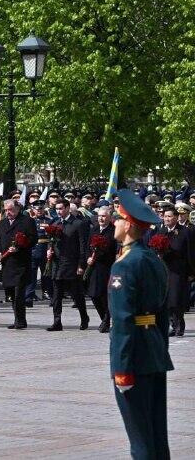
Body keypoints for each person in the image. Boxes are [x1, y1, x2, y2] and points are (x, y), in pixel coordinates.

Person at [109, 188, 173, 459]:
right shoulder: (152, 259)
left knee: (140, 437)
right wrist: (160, 348)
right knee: (156, 432)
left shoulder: (124, 265)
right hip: (154, 352)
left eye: (118, 218)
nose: (114, 222)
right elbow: (162, 314)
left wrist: (121, 367)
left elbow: (122, 320)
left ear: (128, 225)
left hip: (134, 357)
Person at [47, 199, 90, 331]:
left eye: (61, 208)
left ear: (67, 208)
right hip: (57, 264)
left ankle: (84, 317)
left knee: (77, 294)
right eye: (57, 209)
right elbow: (51, 241)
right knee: (56, 295)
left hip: (72, 264)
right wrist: (49, 250)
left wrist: (81, 265)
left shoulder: (78, 224)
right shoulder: (55, 223)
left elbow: (83, 246)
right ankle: (57, 321)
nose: (58, 211)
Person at [0, 199, 38, 329]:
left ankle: (20, 320)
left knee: (19, 292)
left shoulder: (27, 221)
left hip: (20, 263)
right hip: (7, 263)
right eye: (6, 210)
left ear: (18, 209)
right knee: (11, 293)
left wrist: (20, 247)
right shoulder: (2, 223)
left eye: (11, 210)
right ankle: (18, 319)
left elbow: (33, 239)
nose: (8, 212)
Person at [153, 206, 191, 337]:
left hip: (178, 271)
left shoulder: (184, 232)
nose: (167, 219)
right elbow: (153, 247)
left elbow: (190, 253)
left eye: (169, 216)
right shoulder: (161, 231)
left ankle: (179, 324)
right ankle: (173, 325)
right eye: (165, 216)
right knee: (166, 300)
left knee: (175, 300)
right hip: (163, 270)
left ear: (176, 217)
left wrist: (191, 272)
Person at [86, 206, 118, 333]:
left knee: (105, 295)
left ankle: (106, 320)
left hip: (107, 267)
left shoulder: (113, 231)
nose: (101, 218)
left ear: (110, 217)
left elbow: (114, 250)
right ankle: (104, 318)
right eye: (99, 216)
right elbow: (87, 246)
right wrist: (88, 257)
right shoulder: (94, 230)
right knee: (94, 295)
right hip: (94, 267)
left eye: (104, 216)